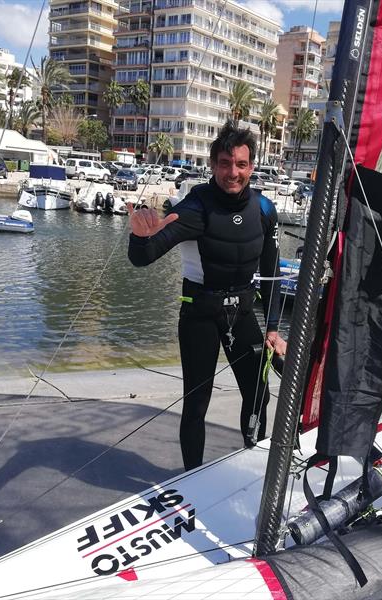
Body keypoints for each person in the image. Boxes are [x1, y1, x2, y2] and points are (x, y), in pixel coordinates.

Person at [128, 122, 287, 470]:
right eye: (226, 163)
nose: (234, 172)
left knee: (259, 395)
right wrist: (140, 237)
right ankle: (192, 477)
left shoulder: (263, 210)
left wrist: (273, 328)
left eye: (241, 164)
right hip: (199, 313)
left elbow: (272, 275)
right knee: (197, 402)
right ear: (214, 165)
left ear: (252, 166)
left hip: (242, 313)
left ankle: (252, 463)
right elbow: (143, 258)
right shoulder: (195, 208)